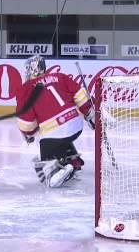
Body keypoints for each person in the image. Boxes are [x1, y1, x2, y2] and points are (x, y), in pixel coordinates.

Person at [16, 55, 95, 187]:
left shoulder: (26, 89)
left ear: (31, 70)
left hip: (54, 134)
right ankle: (73, 159)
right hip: (76, 126)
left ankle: (54, 171)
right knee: (60, 135)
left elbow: (27, 124)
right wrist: (90, 114)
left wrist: (29, 135)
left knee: (45, 137)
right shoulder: (60, 77)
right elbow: (80, 95)